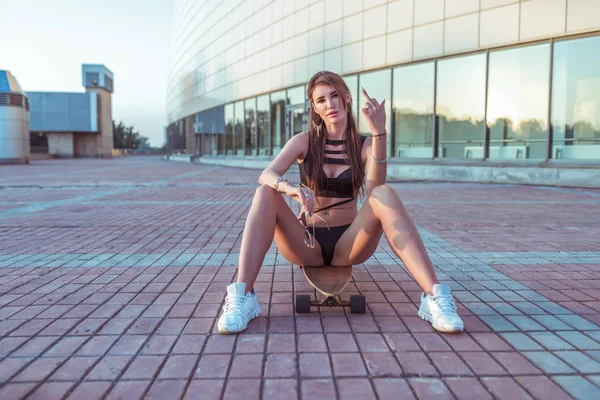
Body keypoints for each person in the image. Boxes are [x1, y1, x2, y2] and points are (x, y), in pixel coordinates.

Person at [217, 70, 463, 334]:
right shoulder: (304, 141)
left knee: (386, 193)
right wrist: (290, 188)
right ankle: (243, 296)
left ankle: (434, 297)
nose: (330, 104)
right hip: (306, 241)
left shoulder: (365, 145)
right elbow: (267, 174)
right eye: (321, 100)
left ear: (346, 96)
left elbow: (374, 190)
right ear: (314, 107)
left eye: (334, 95)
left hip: (349, 242)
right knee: (265, 192)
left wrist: (379, 134)